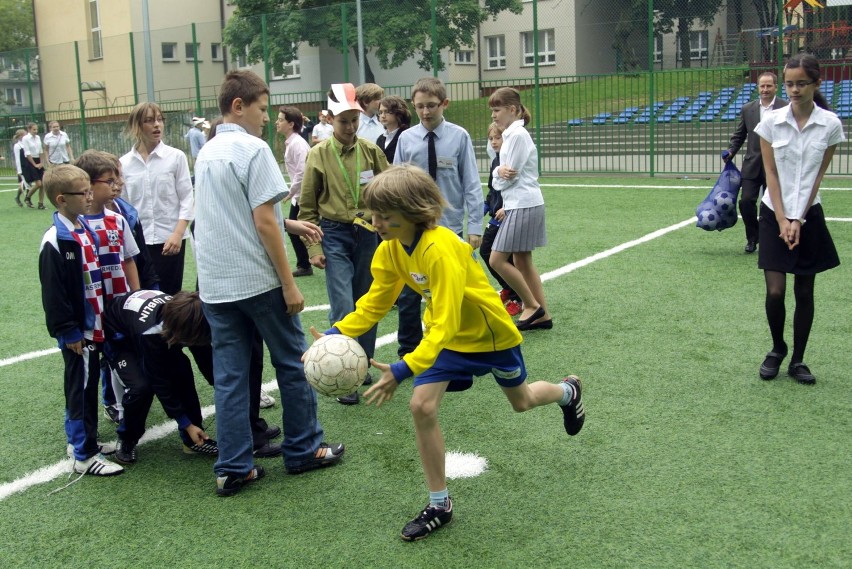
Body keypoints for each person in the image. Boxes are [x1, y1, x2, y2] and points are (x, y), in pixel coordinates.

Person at [319, 164, 585, 541]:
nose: (375, 221)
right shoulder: (391, 250)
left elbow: (443, 321)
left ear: (413, 212)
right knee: (421, 406)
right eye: (372, 212)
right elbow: (374, 304)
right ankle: (439, 503)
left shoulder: (440, 249)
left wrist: (402, 367)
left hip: (488, 337)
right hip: (445, 343)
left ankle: (567, 392)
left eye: (384, 215)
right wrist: (334, 332)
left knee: (522, 401)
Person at [194, 70, 343, 496]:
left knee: (231, 377)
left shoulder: (207, 152)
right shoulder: (253, 148)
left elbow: (240, 214)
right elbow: (262, 222)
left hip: (217, 285)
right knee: (295, 364)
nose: (266, 119)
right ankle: (303, 450)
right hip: (257, 281)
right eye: (262, 110)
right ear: (238, 106)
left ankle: (234, 467)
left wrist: (290, 222)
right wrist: (289, 284)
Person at [753, 53, 844, 385]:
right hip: (773, 212)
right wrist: (781, 219)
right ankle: (777, 349)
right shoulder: (771, 122)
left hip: (808, 215)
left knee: (804, 292)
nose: (793, 89)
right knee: (776, 291)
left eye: (800, 83)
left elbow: (816, 178)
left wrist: (799, 219)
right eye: (789, 83)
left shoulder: (831, 124)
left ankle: (798, 360)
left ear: (816, 84)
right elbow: (771, 174)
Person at [299, 83, 390, 405]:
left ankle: (359, 364)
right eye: (343, 121)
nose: (350, 127)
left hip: (368, 233)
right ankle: (343, 374)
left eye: (354, 120)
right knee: (342, 305)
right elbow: (307, 206)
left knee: (367, 303)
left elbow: (388, 191)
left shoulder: (371, 151)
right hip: (334, 234)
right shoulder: (318, 155)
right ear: (331, 120)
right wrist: (313, 248)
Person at [38, 164, 124, 477]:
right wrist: (69, 331)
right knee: (80, 389)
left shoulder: (81, 228)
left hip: (94, 326)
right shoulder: (56, 241)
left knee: (87, 387)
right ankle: (83, 455)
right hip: (79, 333)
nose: (90, 197)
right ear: (62, 199)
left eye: (90, 190)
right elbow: (55, 294)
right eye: (83, 193)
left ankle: (85, 441)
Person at [393, 77, 483, 358]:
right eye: (419, 106)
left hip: (450, 228)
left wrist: (476, 226)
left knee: (458, 290)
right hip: (414, 231)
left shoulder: (459, 136)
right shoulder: (406, 139)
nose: (425, 112)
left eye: (431, 105)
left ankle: (461, 345)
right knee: (409, 294)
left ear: (445, 104)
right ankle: (409, 349)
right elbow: (396, 183)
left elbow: (471, 183)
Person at [103, 289, 218, 464]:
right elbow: (160, 382)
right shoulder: (151, 333)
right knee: (141, 387)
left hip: (149, 330)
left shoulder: (191, 316)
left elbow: (205, 357)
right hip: (119, 337)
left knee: (182, 370)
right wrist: (184, 422)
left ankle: (193, 440)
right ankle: (127, 437)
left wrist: (221, 387)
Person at [488, 87, 552, 331]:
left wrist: (496, 173)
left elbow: (509, 176)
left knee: (496, 259)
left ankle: (532, 305)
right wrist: (497, 172)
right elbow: (502, 174)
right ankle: (543, 315)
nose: (493, 115)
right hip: (524, 202)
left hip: (522, 203)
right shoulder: (513, 133)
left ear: (512, 109)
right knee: (522, 261)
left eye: (497, 110)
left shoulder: (516, 135)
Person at [120, 102, 194, 295]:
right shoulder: (123, 164)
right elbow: (124, 207)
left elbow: (187, 198)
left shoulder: (176, 157)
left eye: (160, 120)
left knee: (169, 296)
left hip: (169, 240)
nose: (157, 125)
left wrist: (178, 234)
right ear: (136, 126)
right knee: (142, 296)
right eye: (150, 120)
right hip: (138, 243)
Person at [725, 72, 789, 254]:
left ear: (776, 87)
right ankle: (753, 238)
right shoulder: (748, 109)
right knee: (745, 202)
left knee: (772, 205)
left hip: (777, 166)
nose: (765, 89)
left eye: (769, 86)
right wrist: (731, 151)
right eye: (762, 86)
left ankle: (775, 240)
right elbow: (740, 134)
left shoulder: (786, 107)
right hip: (752, 164)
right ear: (758, 87)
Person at [480, 123, 521, 316]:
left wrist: (507, 207)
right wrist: (487, 205)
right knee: (487, 252)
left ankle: (517, 297)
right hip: (496, 216)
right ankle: (509, 288)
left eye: (498, 138)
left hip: (510, 215)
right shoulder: (495, 160)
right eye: (491, 139)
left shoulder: (510, 160)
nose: (494, 142)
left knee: (506, 258)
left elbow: (517, 187)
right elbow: (493, 189)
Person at [275, 105, 313, 277]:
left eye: (281, 119)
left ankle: (306, 264)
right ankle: (305, 264)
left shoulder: (297, 144)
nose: (277, 122)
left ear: (291, 124)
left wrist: (291, 192)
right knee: (296, 228)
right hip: (299, 194)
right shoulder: (293, 142)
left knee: (297, 228)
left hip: (303, 195)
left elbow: (302, 171)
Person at [375, 95, 411, 163]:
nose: (382, 116)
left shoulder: (407, 136)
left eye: (387, 112)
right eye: (380, 112)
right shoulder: (380, 139)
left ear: (398, 113)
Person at [22, 122, 47, 209]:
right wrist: (34, 164)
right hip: (30, 161)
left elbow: (40, 150)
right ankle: (27, 197)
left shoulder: (38, 137)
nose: (36, 131)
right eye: (34, 129)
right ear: (29, 129)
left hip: (38, 160)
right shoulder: (25, 138)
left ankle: (40, 203)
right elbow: (27, 152)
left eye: (37, 129)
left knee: (43, 183)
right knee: (38, 183)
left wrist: (41, 162)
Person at [12, 129, 28, 208]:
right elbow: (17, 159)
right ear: (21, 136)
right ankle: (18, 197)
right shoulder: (17, 146)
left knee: (28, 183)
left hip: (28, 166)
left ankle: (27, 198)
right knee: (24, 184)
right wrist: (19, 170)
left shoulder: (26, 144)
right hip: (22, 167)